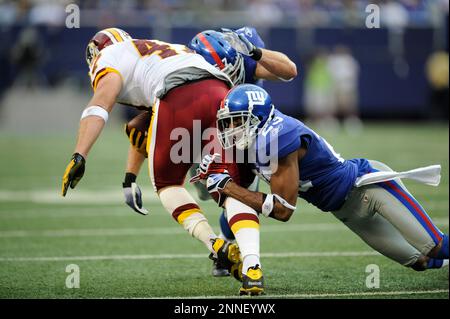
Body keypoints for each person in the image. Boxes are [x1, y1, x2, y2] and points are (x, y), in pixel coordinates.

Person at [194, 84, 449, 293]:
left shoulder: (279, 135)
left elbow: (283, 211)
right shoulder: (252, 146)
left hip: (368, 187)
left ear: (258, 118)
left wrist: (226, 186)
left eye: (236, 121)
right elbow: (245, 197)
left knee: (435, 245)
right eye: (227, 123)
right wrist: (221, 182)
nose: (230, 130)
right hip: (346, 211)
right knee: (421, 261)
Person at [60, 27, 240, 276]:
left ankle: (216, 246)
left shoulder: (108, 58)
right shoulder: (149, 51)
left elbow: (100, 105)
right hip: (220, 90)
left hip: (180, 93)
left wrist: (79, 154)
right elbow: (146, 126)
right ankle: (251, 259)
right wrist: (129, 178)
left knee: (168, 185)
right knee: (230, 180)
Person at [121, 27, 297, 277]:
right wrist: (130, 175)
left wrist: (254, 52)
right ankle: (232, 249)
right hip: (195, 133)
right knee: (208, 191)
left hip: (240, 134)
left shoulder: (242, 60)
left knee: (238, 190)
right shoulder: (182, 73)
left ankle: (229, 249)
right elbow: (144, 129)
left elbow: (289, 71)